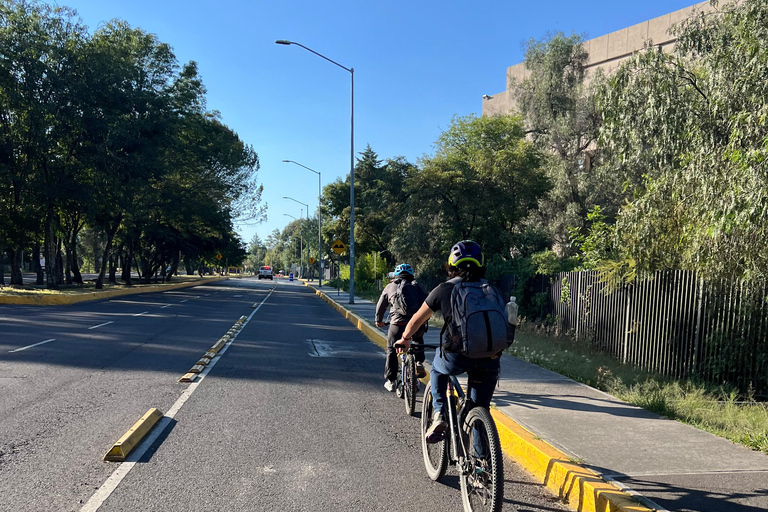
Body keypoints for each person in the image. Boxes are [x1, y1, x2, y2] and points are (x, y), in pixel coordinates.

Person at [397, 240, 513, 439]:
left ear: (451, 264)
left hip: (457, 357)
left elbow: (417, 319)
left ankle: (439, 413)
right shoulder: (492, 290)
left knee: (436, 369)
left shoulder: (444, 289)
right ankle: (480, 466)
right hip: (491, 357)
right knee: (480, 408)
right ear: (481, 263)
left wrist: (405, 338)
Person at [375, 263, 428, 392]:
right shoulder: (418, 286)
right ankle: (418, 362)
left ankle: (391, 380)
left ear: (395, 275)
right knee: (417, 340)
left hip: (397, 324)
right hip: (418, 324)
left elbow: (381, 306)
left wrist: (379, 321)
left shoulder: (390, 286)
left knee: (392, 349)